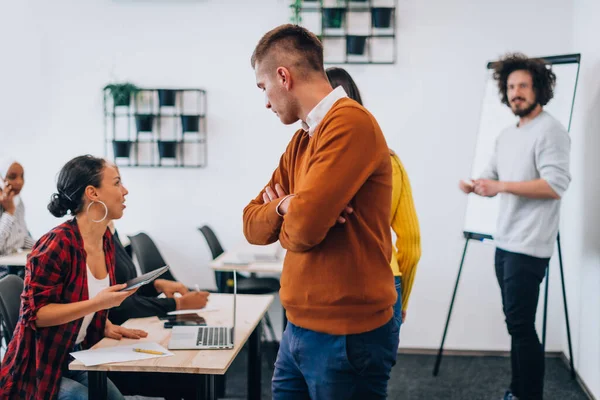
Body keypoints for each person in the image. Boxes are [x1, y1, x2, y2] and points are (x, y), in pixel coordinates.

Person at [245, 25, 398, 399]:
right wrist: (285, 204)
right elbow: (251, 223)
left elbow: (305, 230)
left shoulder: (350, 122)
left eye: (263, 88)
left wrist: (297, 215)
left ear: (284, 76)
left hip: (346, 334)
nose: (266, 101)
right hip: (298, 327)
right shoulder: (301, 140)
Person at [459, 53, 571, 400]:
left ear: (538, 88)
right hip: (504, 241)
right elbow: (494, 178)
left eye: (523, 85)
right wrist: (476, 184)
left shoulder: (550, 130)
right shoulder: (507, 134)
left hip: (530, 245)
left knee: (521, 327)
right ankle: (517, 391)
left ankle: (527, 395)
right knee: (516, 326)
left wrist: (501, 186)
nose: (516, 92)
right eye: (510, 87)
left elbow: (555, 185)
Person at [0, 155, 147, 400]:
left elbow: (79, 301)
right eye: (117, 182)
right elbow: (35, 316)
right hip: (36, 369)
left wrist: (100, 323)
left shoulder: (105, 240)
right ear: (93, 193)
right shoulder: (57, 244)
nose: (125, 190)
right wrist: (98, 304)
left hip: (75, 355)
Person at [326, 67, 421, 328]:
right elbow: (411, 245)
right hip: (385, 283)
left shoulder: (316, 165)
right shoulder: (390, 162)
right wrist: (402, 299)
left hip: (328, 286)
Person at [107, 221, 210, 325]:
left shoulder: (110, 231)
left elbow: (124, 289)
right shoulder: (97, 239)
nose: (124, 203)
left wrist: (154, 286)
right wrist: (178, 303)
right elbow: (117, 306)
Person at [0, 158, 35, 255]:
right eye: (12, 177)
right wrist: (9, 212)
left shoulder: (18, 202)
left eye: (22, 176)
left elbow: (21, 237)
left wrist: (44, 246)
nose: (19, 182)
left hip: (13, 264)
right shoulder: (10, 205)